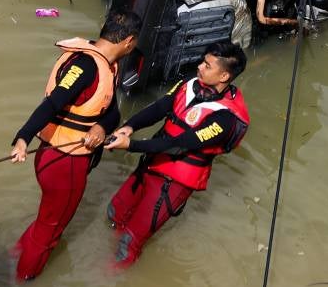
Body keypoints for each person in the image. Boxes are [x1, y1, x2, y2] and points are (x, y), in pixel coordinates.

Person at [10, 9, 141, 281]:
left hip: (51, 157)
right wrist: (22, 137)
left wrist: (101, 126)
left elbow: (113, 112)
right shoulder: (87, 66)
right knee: (52, 229)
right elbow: (53, 102)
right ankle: (24, 280)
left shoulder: (104, 62)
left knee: (47, 218)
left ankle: (17, 252)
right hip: (64, 162)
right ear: (129, 41)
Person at [104, 40, 250, 267]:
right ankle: (104, 254)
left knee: (129, 242)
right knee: (115, 214)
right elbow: (160, 107)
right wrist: (130, 126)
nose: (200, 67)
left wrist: (130, 146)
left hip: (174, 181)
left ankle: (110, 279)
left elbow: (181, 143)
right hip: (152, 162)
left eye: (208, 66)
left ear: (224, 77)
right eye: (203, 61)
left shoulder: (225, 119)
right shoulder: (189, 84)